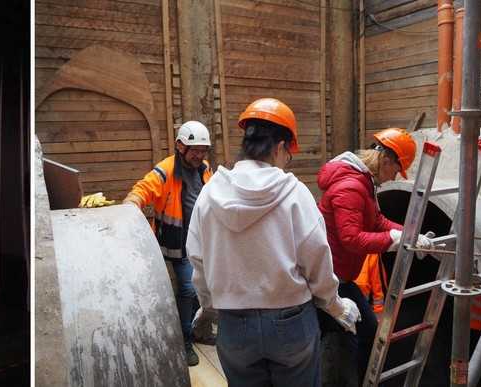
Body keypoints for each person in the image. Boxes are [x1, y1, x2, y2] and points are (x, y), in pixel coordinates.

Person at [186, 98, 361, 386]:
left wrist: (208, 307)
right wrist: (336, 307)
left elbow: (198, 260)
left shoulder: (209, 194)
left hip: (234, 324)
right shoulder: (295, 194)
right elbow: (317, 259)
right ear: (280, 148)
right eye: (287, 155)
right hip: (290, 324)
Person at [316, 127, 434, 383]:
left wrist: (410, 234)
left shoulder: (364, 182)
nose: (394, 177)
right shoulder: (351, 186)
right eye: (396, 170)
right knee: (345, 342)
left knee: (366, 332)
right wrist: (394, 240)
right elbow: (351, 239)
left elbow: (377, 221)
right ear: (386, 160)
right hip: (330, 280)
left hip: (341, 276)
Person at [123, 120, 214, 367]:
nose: (199, 155)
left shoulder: (205, 168)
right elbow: (142, 189)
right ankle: (185, 341)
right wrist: (131, 204)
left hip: (203, 242)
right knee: (188, 289)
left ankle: (199, 331)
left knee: (204, 289)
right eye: (195, 150)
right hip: (179, 244)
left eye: (203, 150)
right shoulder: (165, 169)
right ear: (180, 146)